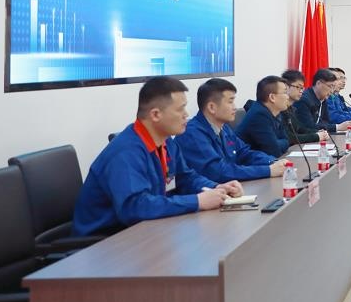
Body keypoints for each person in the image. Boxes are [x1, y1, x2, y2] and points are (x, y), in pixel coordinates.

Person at [73, 77, 239, 236]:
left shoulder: (166, 142)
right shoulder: (125, 152)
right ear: (155, 115)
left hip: (146, 230)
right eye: (180, 109)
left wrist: (217, 188)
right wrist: (197, 201)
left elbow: (186, 178)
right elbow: (135, 207)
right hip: (106, 242)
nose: (186, 114)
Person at [174, 78, 285, 182]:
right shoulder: (192, 134)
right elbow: (219, 172)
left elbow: (244, 153)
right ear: (212, 107)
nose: (235, 107)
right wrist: (268, 171)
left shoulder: (224, 128)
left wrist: (273, 162)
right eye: (230, 101)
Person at [236, 76, 297, 157]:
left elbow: (286, 140)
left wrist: (277, 143)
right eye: (285, 92)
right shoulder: (259, 115)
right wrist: (277, 143)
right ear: (272, 97)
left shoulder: (275, 112)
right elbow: (274, 151)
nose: (288, 97)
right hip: (248, 162)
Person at [292, 68, 351, 142]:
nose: (332, 91)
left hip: (318, 138)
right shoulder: (304, 100)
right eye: (330, 86)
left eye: (333, 87)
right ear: (318, 83)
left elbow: (326, 122)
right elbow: (309, 126)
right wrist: (337, 127)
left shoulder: (323, 99)